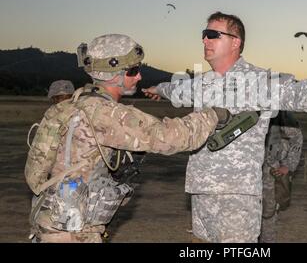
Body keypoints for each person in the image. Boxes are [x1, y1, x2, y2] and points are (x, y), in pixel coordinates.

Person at [143, 12, 307, 242]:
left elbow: (294, 92)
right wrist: (157, 89)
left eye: (212, 35)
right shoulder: (203, 83)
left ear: (235, 42)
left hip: (237, 195)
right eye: (204, 35)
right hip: (200, 190)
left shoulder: (257, 81)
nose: (205, 40)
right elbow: (176, 89)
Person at [24, 34, 229, 243]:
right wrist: (212, 115)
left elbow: (34, 176)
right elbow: (170, 137)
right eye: (133, 71)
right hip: (74, 233)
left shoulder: (67, 107)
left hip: (49, 223)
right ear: (113, 74)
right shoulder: (107, 113)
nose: (139, 77)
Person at [259, 111, 303, 243]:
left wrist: (288, 165)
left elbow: (296, 138)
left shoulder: (278, 113)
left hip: (269, 169)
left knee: (269, 212)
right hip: (242, 170)